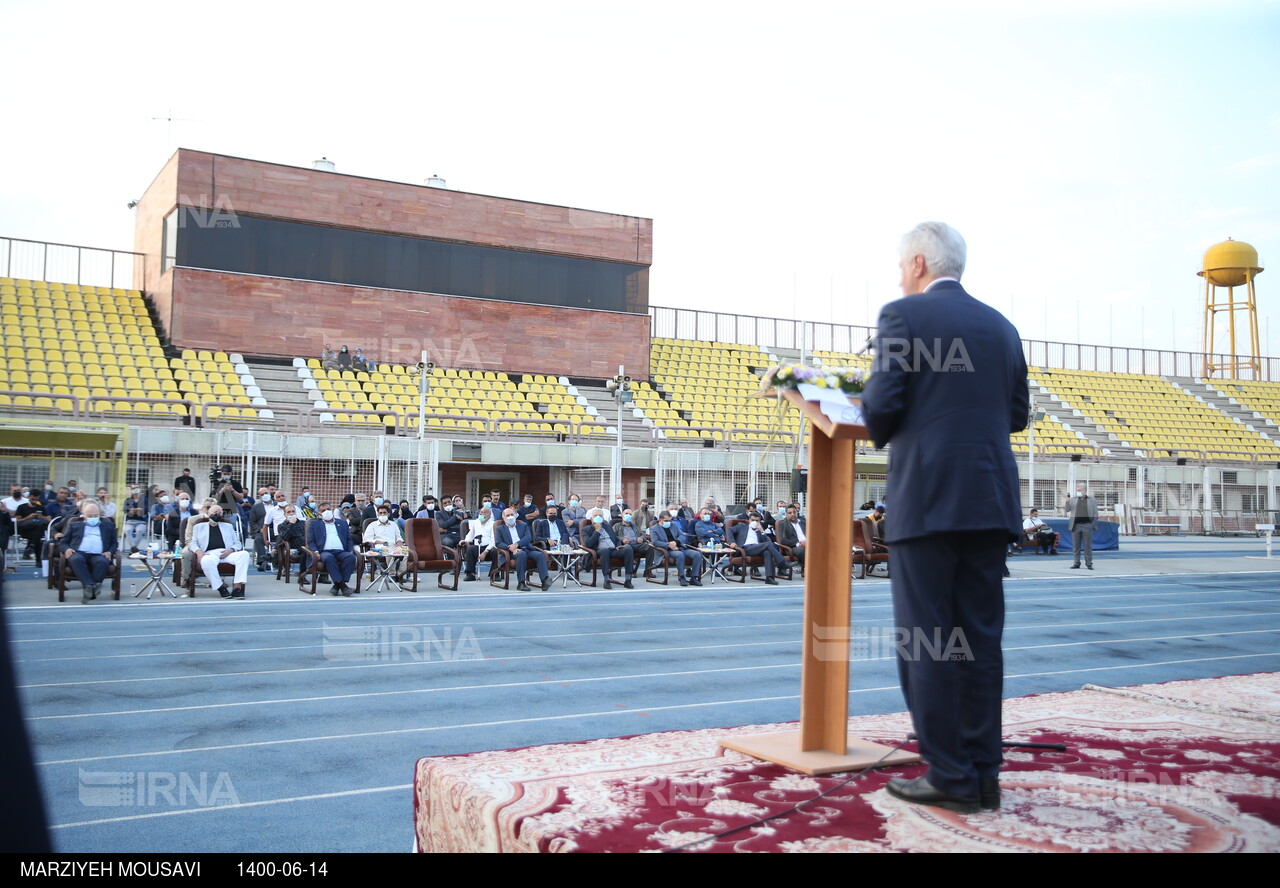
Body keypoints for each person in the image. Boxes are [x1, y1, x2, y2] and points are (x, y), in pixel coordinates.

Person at [860, 221, 1028, 814]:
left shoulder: (904, 318)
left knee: (928, 641)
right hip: (987, 501)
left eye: (902, 264)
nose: (900, 274)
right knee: (980, 642)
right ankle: (984, 773)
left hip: (928, 502)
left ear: (919, 263)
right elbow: (1017, 415)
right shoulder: (1002, 327)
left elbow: (879, 415)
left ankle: (951, 775)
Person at [58, 502, 118, 603]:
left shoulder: (108, 526)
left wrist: (109, 551)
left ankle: (89, 591)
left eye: (96, 515)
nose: (93, 518)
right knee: (76, 559)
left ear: (100, 514)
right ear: (84, 515)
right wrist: (66, 549)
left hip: (99, 554)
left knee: (102, 561)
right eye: (90, 516)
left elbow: (114, 543)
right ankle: (91, 586)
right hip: (79, 552)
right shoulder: (74, 525)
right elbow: (63, 542)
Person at [191, 505, 252, 599]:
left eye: (219, 513)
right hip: (209, 553)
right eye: (215, 512)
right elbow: (193, 543)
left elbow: (237, 543)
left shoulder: (228, 526)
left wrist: (230, 551)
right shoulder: (199, 527)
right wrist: (199, 552)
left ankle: (237, 588)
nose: (217, 515)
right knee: (206, 561)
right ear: (208, 513)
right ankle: (221, 587)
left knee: (244, 554)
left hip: (226, 553)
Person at [306, 502, 358, 596]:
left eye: (328, 509)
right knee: (329, 558)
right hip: (324, 552)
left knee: (351, 557)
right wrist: (316, 552)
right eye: (323, 510)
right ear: (319, 513)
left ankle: (338, 585)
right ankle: (342, 585)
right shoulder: (314, 524)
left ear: (332, 510)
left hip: (341, 551)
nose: (326, 512)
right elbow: (311, 541)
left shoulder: (342, 523)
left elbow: (348, 539)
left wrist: (350, 550)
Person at [495, 508, 550, 591]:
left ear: (515, 516)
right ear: (503, 518)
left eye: (512, 515)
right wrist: (510, 547)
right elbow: (498, 543)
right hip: (511, 552)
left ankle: (545, 580)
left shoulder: (523, 525)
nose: (510, 517)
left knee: (540, 555)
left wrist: (517, 544)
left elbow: (528, 538)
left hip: (525, 548)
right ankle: (521, 583)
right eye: (507, 515)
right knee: (521, 554)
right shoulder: (500, 529)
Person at [581, 509, 634, 589]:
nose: (598, 517)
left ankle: (628, 579)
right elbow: (588, 544)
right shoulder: (587, 529)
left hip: (613, 549)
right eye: (596, 516)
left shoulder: (608, 526)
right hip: (599, 551)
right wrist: (597, 531)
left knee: (628, 549)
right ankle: (607, 580)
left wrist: (618, 545)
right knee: (605, 550)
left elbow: (616, 539)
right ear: (591, 519)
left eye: (600, 516)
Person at [648, 511, 704, 586]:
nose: (668, 522)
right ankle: (682, 577)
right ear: (660, 520)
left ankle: (694, 577)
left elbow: (682, 536)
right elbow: (655, 542)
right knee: (679, 554)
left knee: (697, 554)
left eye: (669, 520)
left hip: (679, 547)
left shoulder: (674, 525)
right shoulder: (654, 529)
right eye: (666, 521)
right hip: (666, 551)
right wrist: (669, 545)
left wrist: (676, 542)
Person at [727, 512, 785, 584]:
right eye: (752, 520)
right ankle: (782, 563)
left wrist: (762, 531)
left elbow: (768, 542)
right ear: (749, 520)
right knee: (767, 545)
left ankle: (769, 578)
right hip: (745, 548)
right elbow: (730, 530)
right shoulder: (742, 526)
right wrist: (732, 542)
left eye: (757, 520)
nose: (754, 522)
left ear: (759, 521)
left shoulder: (759, 531)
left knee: (768, 552)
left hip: (758, 550)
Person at [1066, 483, 1097, 569]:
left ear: (1084, 491)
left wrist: (1092, 525)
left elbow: (1095, 513)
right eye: (1077, 490)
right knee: (1076, 546)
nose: (1078, 492)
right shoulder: (1073, 499)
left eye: (1079, 490)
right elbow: (1067, 510)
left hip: (1087, 525)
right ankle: (1076, 563)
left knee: (1087, 546)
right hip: (1075, 526)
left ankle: (1089, 563)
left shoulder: (1092, 500)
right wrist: (1067, 502)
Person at [775, 505, 808, 570]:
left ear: (797, 512)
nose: (792, 514)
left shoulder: (803, 522)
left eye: (794, 512)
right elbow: (782, 540)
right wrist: (798, 544)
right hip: (793, 547)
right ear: (786, 514)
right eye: (790, 513)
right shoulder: (783, 524)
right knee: (802, 551)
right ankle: (806, 570)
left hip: (808, 543)